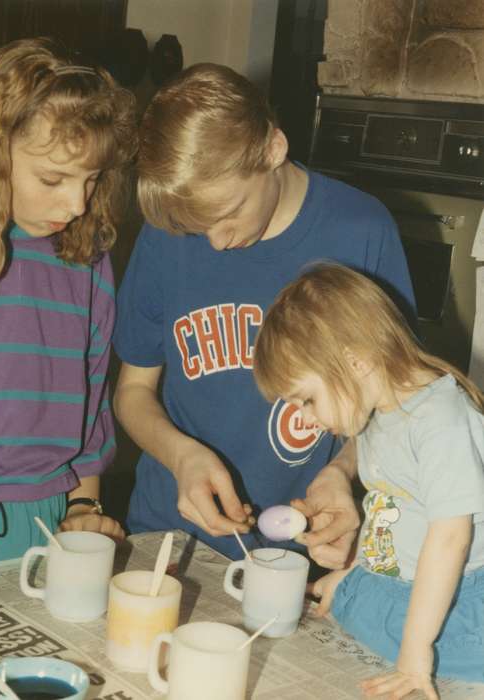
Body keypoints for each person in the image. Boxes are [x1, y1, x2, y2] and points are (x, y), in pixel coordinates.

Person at [112, 62, 416, 562]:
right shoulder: (168, 235)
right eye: (197, 226)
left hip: (298, 553)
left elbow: (397, 402)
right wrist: (180, 455)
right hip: (169, 536)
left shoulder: (361, 232)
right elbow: (133, 391)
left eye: (229, 213)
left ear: (274, 149)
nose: (216, 241)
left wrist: (341, 473)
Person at [253, 262, 484, 697]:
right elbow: (388, 517)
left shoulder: (441, 419)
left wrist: (416, 655)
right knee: (339, 596)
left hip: (462, 591)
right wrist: (357, 572)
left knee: (418, 640)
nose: (306, 419)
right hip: (405, 577)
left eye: (307, 399)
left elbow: (451, 539)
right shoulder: (379, 415)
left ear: (355, 362)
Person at [0, 38, 138, 562]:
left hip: (47, 514)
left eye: (91, 180)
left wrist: (82, 507)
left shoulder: (87, 257)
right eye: (52, 178)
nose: (76, 204)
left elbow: (94, 397)